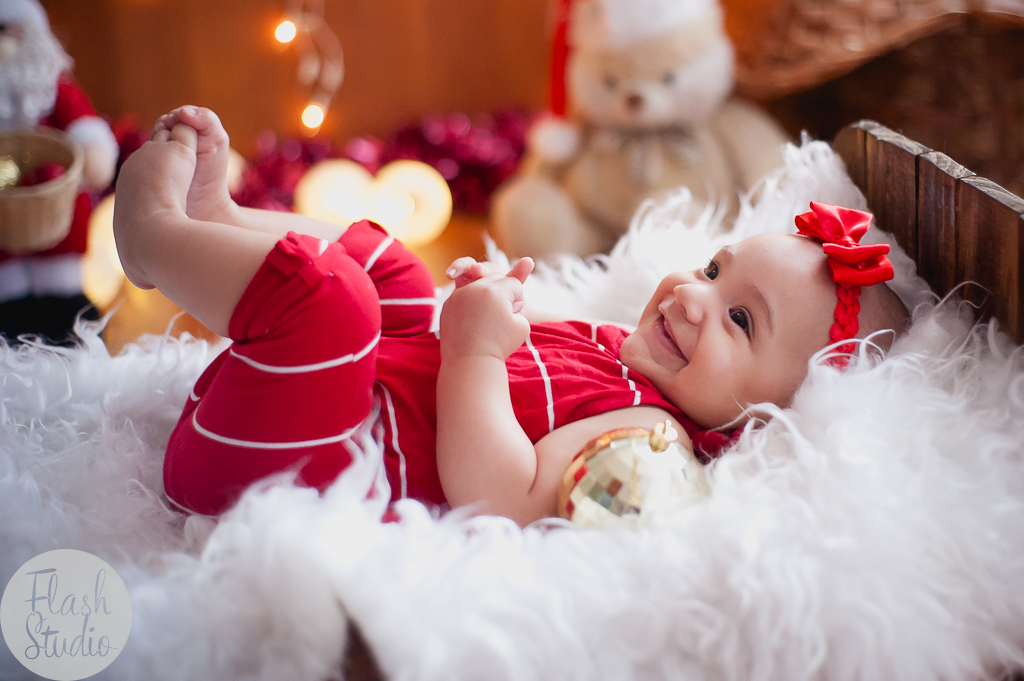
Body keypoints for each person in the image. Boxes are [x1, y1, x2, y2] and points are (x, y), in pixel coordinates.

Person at [113, 106, 909, 525]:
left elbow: (501, 495)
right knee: (393, 270)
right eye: (712, 268)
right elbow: (526, 377)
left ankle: (154, 241)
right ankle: (218, 217)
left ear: (771, 413)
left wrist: (473, 353)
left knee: (337, 305)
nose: (694, 297)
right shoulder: (625, 355)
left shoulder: (650, 446)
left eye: (741, 321)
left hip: (286, 464)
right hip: (323, 402)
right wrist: (487, 307)